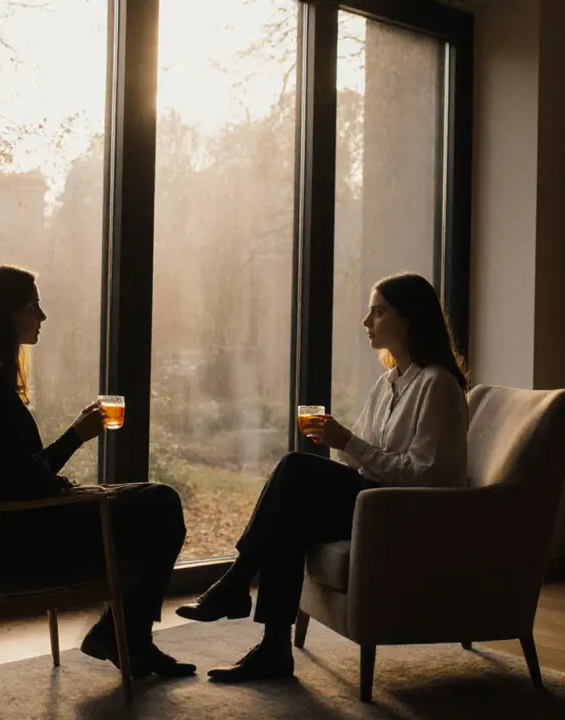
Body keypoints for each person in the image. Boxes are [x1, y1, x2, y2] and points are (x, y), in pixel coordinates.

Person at [175, 272, 470, 683]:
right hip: (372, 504)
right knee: (290, 508)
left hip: (407, 511)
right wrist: (340, 442)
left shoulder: (437, 386)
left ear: (409, 320)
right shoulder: (387, 384)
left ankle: (237, 583)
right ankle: (273, 647)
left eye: (378, 313)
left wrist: (348, 440)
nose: (368, 323)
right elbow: (361, 461)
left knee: (295, 469)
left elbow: (425, 474)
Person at [0, 265, 194, 679]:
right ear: (6, 313)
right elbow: (24, 483)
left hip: (2, 534)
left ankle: (123, 634)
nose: (43, 316)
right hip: (19, 544)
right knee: (161, 503)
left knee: (147, 505)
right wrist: (76, 438)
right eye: (34, 305)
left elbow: (12, 473)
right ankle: (126, 637)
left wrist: (71, 459)